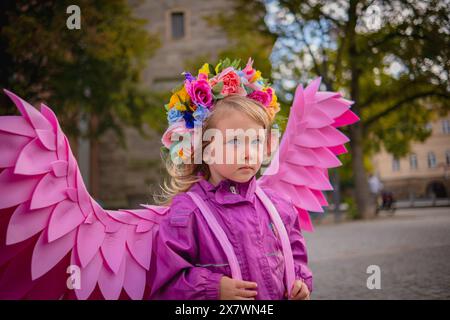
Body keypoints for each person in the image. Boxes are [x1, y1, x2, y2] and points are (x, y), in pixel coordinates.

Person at [148, 59, 312, 300]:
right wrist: (211, 289)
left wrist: (300, 280)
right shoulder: (187, 213)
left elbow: (295, 256)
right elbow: (167, 283)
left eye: (255, 141)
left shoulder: (280, 206)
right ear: (204, 148)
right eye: (234, 141)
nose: (249, 152)